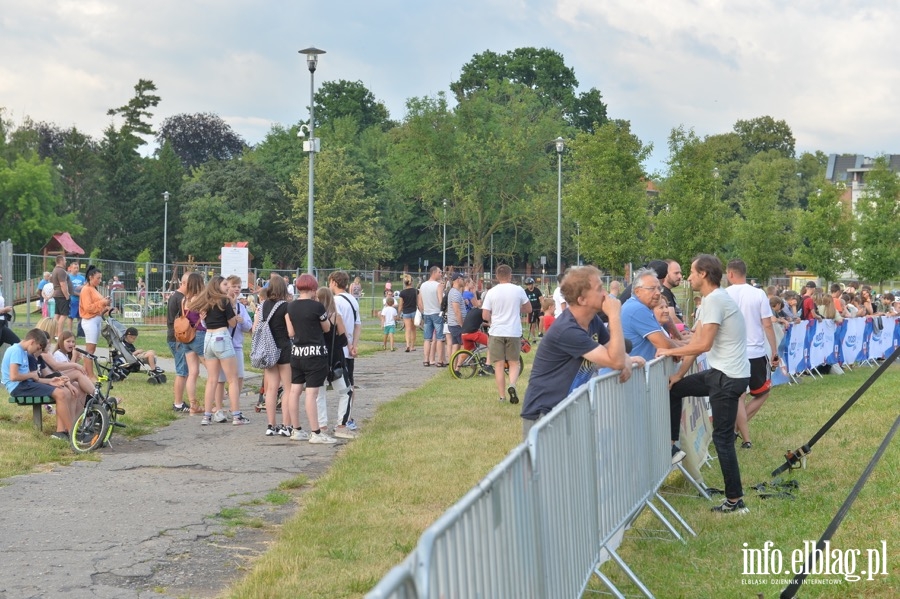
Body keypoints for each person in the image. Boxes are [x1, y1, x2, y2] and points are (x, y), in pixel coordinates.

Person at [657, 254, 750, 514]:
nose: (688, 277)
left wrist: (665, 352)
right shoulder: (712, 300)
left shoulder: (716, 300)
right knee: (676, 390)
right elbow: (695, 345)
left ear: (704, 274)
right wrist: (678, 375)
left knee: (722, 439)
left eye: (691, 272)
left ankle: (735, 500)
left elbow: (703, 345)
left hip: (727, 378)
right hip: (720, 374)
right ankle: (673, 445)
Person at [521, 266, 636, 438]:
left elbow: (614, 350)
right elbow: (616, 361)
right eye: (599, 289)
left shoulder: (593, 321)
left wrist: (627, 359)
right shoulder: (567, 330)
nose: (605, 294)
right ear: (582, 299)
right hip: (545, 416)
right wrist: (614, 316)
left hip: (567, 411)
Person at [725, 259, 778, 450]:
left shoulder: (724, 294)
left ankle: (735, 431)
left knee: (739, 396)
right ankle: (744, 437)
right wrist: (774, 350)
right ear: (744, 273)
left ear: (730, 274)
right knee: (763, 393)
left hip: (733, 352)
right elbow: (767, 324)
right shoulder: (758, 294)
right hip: (754, 351)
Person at [285, 273, 336, 444]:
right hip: (315, 354)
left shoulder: (290, 307)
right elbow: (327, 328)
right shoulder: (317, 307)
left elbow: (291, 333)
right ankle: (316, 432)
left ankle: (296, 429)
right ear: (314, 289)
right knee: (311, 394)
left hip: (297, 353)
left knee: (294, 391)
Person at [2, 329, 78, 441]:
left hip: (25, 384)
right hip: (17, 387)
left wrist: (51, 381)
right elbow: (14, 377)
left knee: (63, 390)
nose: (37, 351)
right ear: (32, 342)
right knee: (60, 394)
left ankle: (63, 432)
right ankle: (72, 432)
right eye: (38, 348)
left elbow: (34, 378)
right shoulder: (16, 351)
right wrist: (31, 375)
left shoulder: (22, 351)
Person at [191, 276, 247, 426]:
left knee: (212, 379)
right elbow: (232, 323)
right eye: (225, 284)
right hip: (222, 336)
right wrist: (234, 313)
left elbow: (203, 320)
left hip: (208, 338)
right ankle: (236, 416)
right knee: (233, 379)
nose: (228, 287)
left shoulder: (206, 301)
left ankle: (207, 416)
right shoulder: (224, 300)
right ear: (217, 285)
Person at [481, 264, 531, 404]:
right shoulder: (518, 290)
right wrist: (516, 307)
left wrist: (492, 318)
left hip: (497, 331)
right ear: (510, 276)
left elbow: (485, 315)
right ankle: (512, 385)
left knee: (499, 365)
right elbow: (528, 309)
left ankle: (502, 396)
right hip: (513, 331)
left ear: (497, 277)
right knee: (514, 362)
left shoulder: (491, 292)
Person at [314, 286, 356, 439]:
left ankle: (322, 425)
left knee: (320, 394)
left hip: (318, 358)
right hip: (335, 359)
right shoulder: (335, 316)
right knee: (346, 392)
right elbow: (344, 340)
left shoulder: (314, 317)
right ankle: (341, 425)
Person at [257, 275, 294, 438]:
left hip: (267, 350)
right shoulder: (285, 306)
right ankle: (287, 425)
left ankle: (270, 425)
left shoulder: (263, 305)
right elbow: (291, 331)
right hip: (284, 348)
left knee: (271, 389)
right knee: (288, 388)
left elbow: (256, 327)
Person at [621, 268, 683, 362]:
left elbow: (664, 339)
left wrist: (678, 348)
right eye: (652, 289)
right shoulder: (638, 309)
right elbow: (664, 344)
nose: (658, 293)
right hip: (629, 375)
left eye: (659, 288)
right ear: (637, 291)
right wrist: (678, 352)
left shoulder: (640, 307)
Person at [214, 276, 253, 423]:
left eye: (239, 286)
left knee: (239, 377)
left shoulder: (240, 307)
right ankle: (218, 409)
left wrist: (242, 322)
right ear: (226, 287)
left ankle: (233, 407)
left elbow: (248, 326)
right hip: (222, 345)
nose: (236, 289)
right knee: (220, 379)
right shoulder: (221, 304)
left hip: (236, 345)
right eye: (233, 286)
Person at [329, 271, 362, 436]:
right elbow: (357, 325)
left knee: (343, 386)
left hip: (340, 348)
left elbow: (338, 325)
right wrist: (354, 345)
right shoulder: (353, 300)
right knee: (350, 384)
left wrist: (348, 345)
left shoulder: (335, 301)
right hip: (349, 349)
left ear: (334, 282)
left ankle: (344, 420)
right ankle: (349, 417)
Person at [78, 265, 113, 381]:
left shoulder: (93, 288)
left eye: (100, 278)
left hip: (96, 319)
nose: (100, 280)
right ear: (90, 277)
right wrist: (103, 302)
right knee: (90, 349)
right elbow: (88, 308)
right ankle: (90, 375)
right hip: (89, 321)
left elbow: (97, 306)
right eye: (98, 278)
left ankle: (85, 373)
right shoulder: (86, 289)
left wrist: (106, 307)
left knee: (92, 349)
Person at [180, 272, 207, 413]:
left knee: (193, 372)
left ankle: (193, 405)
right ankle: (213, 404)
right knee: (212, 371)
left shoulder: (184, 300)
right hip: (199, 335)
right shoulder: (200, 299)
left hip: (186, 337)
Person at [167, 273, 192, 413]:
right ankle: (178, 403)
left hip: (176, 337)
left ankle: (180, 401)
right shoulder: (180, 299)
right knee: (181, 371)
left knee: (184, 371)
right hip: (178, 338)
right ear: (185, 283)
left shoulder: (175, 297)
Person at [419, 266, 445, 367]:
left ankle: (426, 359)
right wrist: (443, 309)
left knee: (427, 338)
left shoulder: (423, 285)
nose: (441, 274)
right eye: (439, 272)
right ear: (434, 273)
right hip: (436, 312)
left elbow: (420, 301)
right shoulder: (438, 285)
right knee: (439, 338)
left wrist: (423, 311)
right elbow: (440, 301)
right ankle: (440, 360)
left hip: (427, 313)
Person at [445, 273, 467, 372]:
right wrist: (462, 325)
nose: (464, 281)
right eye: (463, 279)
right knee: (465, 345)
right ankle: (457, 368)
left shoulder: (455, 292)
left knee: (456, 345)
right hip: (457, 324)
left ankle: (453, 368)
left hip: (454, 324)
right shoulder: (454, 293)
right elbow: (456, 310)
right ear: (458, 279)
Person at [49, 254, 70, 341]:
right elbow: (63, 284)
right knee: (64, 315)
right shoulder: (61, 271)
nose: (65, 262)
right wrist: (67, 296)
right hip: (61, 295)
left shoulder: (54, 270)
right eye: (64, 260)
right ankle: (59, 335)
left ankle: (53, 333)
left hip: (56, 295)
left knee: (57, 315)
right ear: (61, 261)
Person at [398, 275, 419, 352]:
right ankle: (412, 346)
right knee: (413, 330)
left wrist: (398, 313)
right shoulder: (415, 291)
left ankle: (407, 345)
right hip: (414, 311)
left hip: (406, 312)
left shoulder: (402, 293)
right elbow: (418, 302)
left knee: (407, 329)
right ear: (411, 282)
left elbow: (400, 305)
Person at [0, 272, 20, 349]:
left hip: (2, 323)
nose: (1, 278)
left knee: (16, 343)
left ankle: (13, 360)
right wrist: (4, 310)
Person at [67, 261, 85, 335]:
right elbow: (69, 289)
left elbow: (85, 286)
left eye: (77, 268)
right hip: (72, 300)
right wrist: (78, 294)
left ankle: (80, 333)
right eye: (74, 268)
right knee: (71, 316)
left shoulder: (82, 277)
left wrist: (82, 290)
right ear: (70, 268)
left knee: (81, 317)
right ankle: (70, 332)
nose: (76, 269)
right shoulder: (68, 277)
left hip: (81, 301)